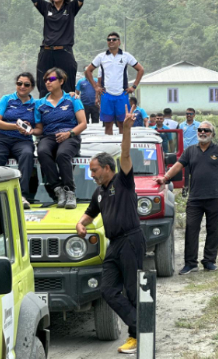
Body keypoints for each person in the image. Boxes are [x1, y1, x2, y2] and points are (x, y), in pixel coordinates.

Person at [76, 105, 145, 354]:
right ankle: (142, 325)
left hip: (131, 240)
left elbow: (125, 154)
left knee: (132, 290)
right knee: (107, 290)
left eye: (94, 170)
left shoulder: (123, 181)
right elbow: (90, 212)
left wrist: (126, 129)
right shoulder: (99, 191)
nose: (91, 174)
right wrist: (80, 223)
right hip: (114, 244)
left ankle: (136, 336)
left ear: (107, 167)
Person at [3, 0, 105, 98]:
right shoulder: (45, 8)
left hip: (64, 54)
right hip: (47, 54)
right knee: (46, 84)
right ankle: (44, 114)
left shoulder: (71, 8)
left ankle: (68, 115)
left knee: (67, 86)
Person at [154, 121, 218, 275]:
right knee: (191, 230)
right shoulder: (190, 151)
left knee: (213, 230)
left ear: (212, 134)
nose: (202, 132)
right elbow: (178, 165)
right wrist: (165, 178)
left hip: (216, 197)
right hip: (195, 199)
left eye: (206, 130)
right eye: (200, 130)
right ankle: (190, 263)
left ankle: (209, 261)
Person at [31, 67, 87, 209]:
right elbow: (39, 129)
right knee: (42, 151)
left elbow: (83, 123)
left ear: (61, 81)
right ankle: (58, 189)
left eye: (51, 79)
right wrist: (28, 129)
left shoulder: (72, 99)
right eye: (45, 80)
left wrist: (69, 134)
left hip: (70, 136)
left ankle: (69, 191)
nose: (48, 82)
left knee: (62, 155)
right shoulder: (40, 104)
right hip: (49, 136)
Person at [0, 72, 37, 209]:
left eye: (26, 84)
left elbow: (39, 128)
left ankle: (22, 195)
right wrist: (15, 126)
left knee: (27, 155)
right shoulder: (7, 99)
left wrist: (30, 130)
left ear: (32, 87)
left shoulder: (36, 104)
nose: (22, 87)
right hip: (1, 137)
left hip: (23, 140)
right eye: (19, 83)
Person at [85, 32, 145, 135]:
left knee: (123, 124)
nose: (111, 41)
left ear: (119, 42)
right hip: (106, 94)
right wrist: (95, 87)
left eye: (114, 39)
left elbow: (140, 69)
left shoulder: (126, 56)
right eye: (109, 40)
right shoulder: (101, 57)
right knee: (108, 124)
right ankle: (110, 150)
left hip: (122, 94)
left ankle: (123, 149)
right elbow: (88, 71)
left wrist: (133, 87)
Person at [177, 108, 200, 197]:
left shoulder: (198, 125)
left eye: (190, 114)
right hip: (185, 152)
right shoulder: (181, 125)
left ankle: (195, 190)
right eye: (187, 113)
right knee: (185, 172)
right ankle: (185, 189)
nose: (188, 115)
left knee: (195, 172)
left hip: (196, 151)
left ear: (194, 115)